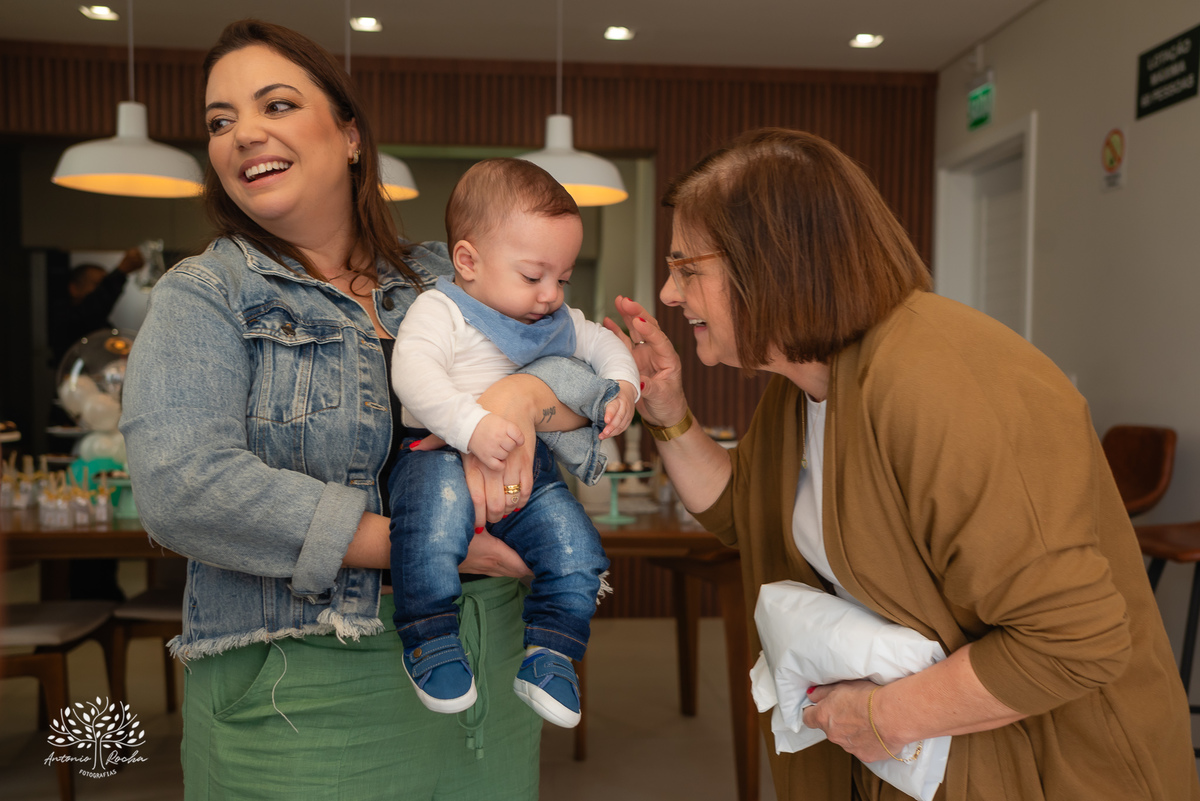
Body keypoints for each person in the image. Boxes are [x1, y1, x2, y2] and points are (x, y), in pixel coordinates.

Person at [609, 128, 1200, 800]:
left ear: (773, 262)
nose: (667, 293)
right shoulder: (800, 390)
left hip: (1052, 768)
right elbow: (745, 516)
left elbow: (1070, 642)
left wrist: (881, 716)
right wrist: (667, 412)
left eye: (689, 270)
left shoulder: (947, 383)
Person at [120, 20, 615, 800]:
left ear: (349, 135)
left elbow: (582, 407)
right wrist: (424, 545)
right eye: (220, 121)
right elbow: (183, 489)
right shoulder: (204, 294)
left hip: (491, 658)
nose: (243, 133)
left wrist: (527, 393)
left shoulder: (443, 277)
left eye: (275, 105)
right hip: (302, 683)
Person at [389, 158, 637, 727]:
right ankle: (430, 639)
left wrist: (624, 385)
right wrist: (470, 425)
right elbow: (414, 375)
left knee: (580, 550)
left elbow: (604, 345)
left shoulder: (553, 319)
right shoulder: (443, 310)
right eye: (533, 276)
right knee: (429, 536)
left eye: (563, 278)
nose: (551, 295)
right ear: (468, 262)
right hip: (439, 459)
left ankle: (553, 653)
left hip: (530, 473)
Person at [48, 247, 145, 362]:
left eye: (102, 286)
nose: (100, 290)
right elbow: (93, 307)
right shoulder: (67, 317)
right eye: (97, 285)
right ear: (73, 288)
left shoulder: (100, 322)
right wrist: (120, 272)